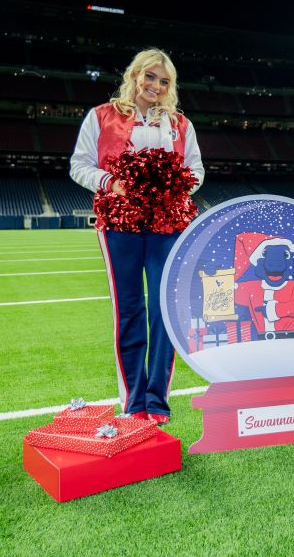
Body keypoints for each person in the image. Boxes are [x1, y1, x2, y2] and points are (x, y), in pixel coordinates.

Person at [70, 48, 204, 424]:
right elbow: (79, 165)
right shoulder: (101, 116)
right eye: (150, 77)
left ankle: (157, 400)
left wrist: (177, 187)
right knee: (129, 310)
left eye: (164, 81)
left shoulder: (181, 125)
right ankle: (134, 401)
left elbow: (196, 170)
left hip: (167, 224)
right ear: (134, 76)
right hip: (120, 223)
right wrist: (111, 183)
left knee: (165, 312)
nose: (156, 86)